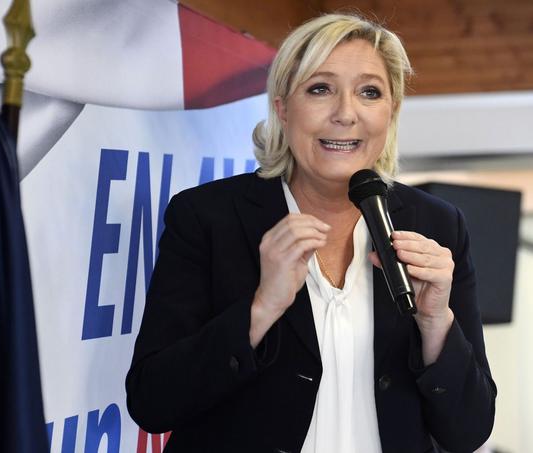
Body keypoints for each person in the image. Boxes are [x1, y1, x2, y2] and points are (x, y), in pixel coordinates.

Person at [125, 13, 496, 453]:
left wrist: (436, 323)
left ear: (391, 111)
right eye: (320, 89)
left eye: (369, 92)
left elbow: (469, 431)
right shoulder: (207, 216)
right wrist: (261, 308)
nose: (345, 114)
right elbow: (152, 401)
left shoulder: (438, 224)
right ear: (282, 108)